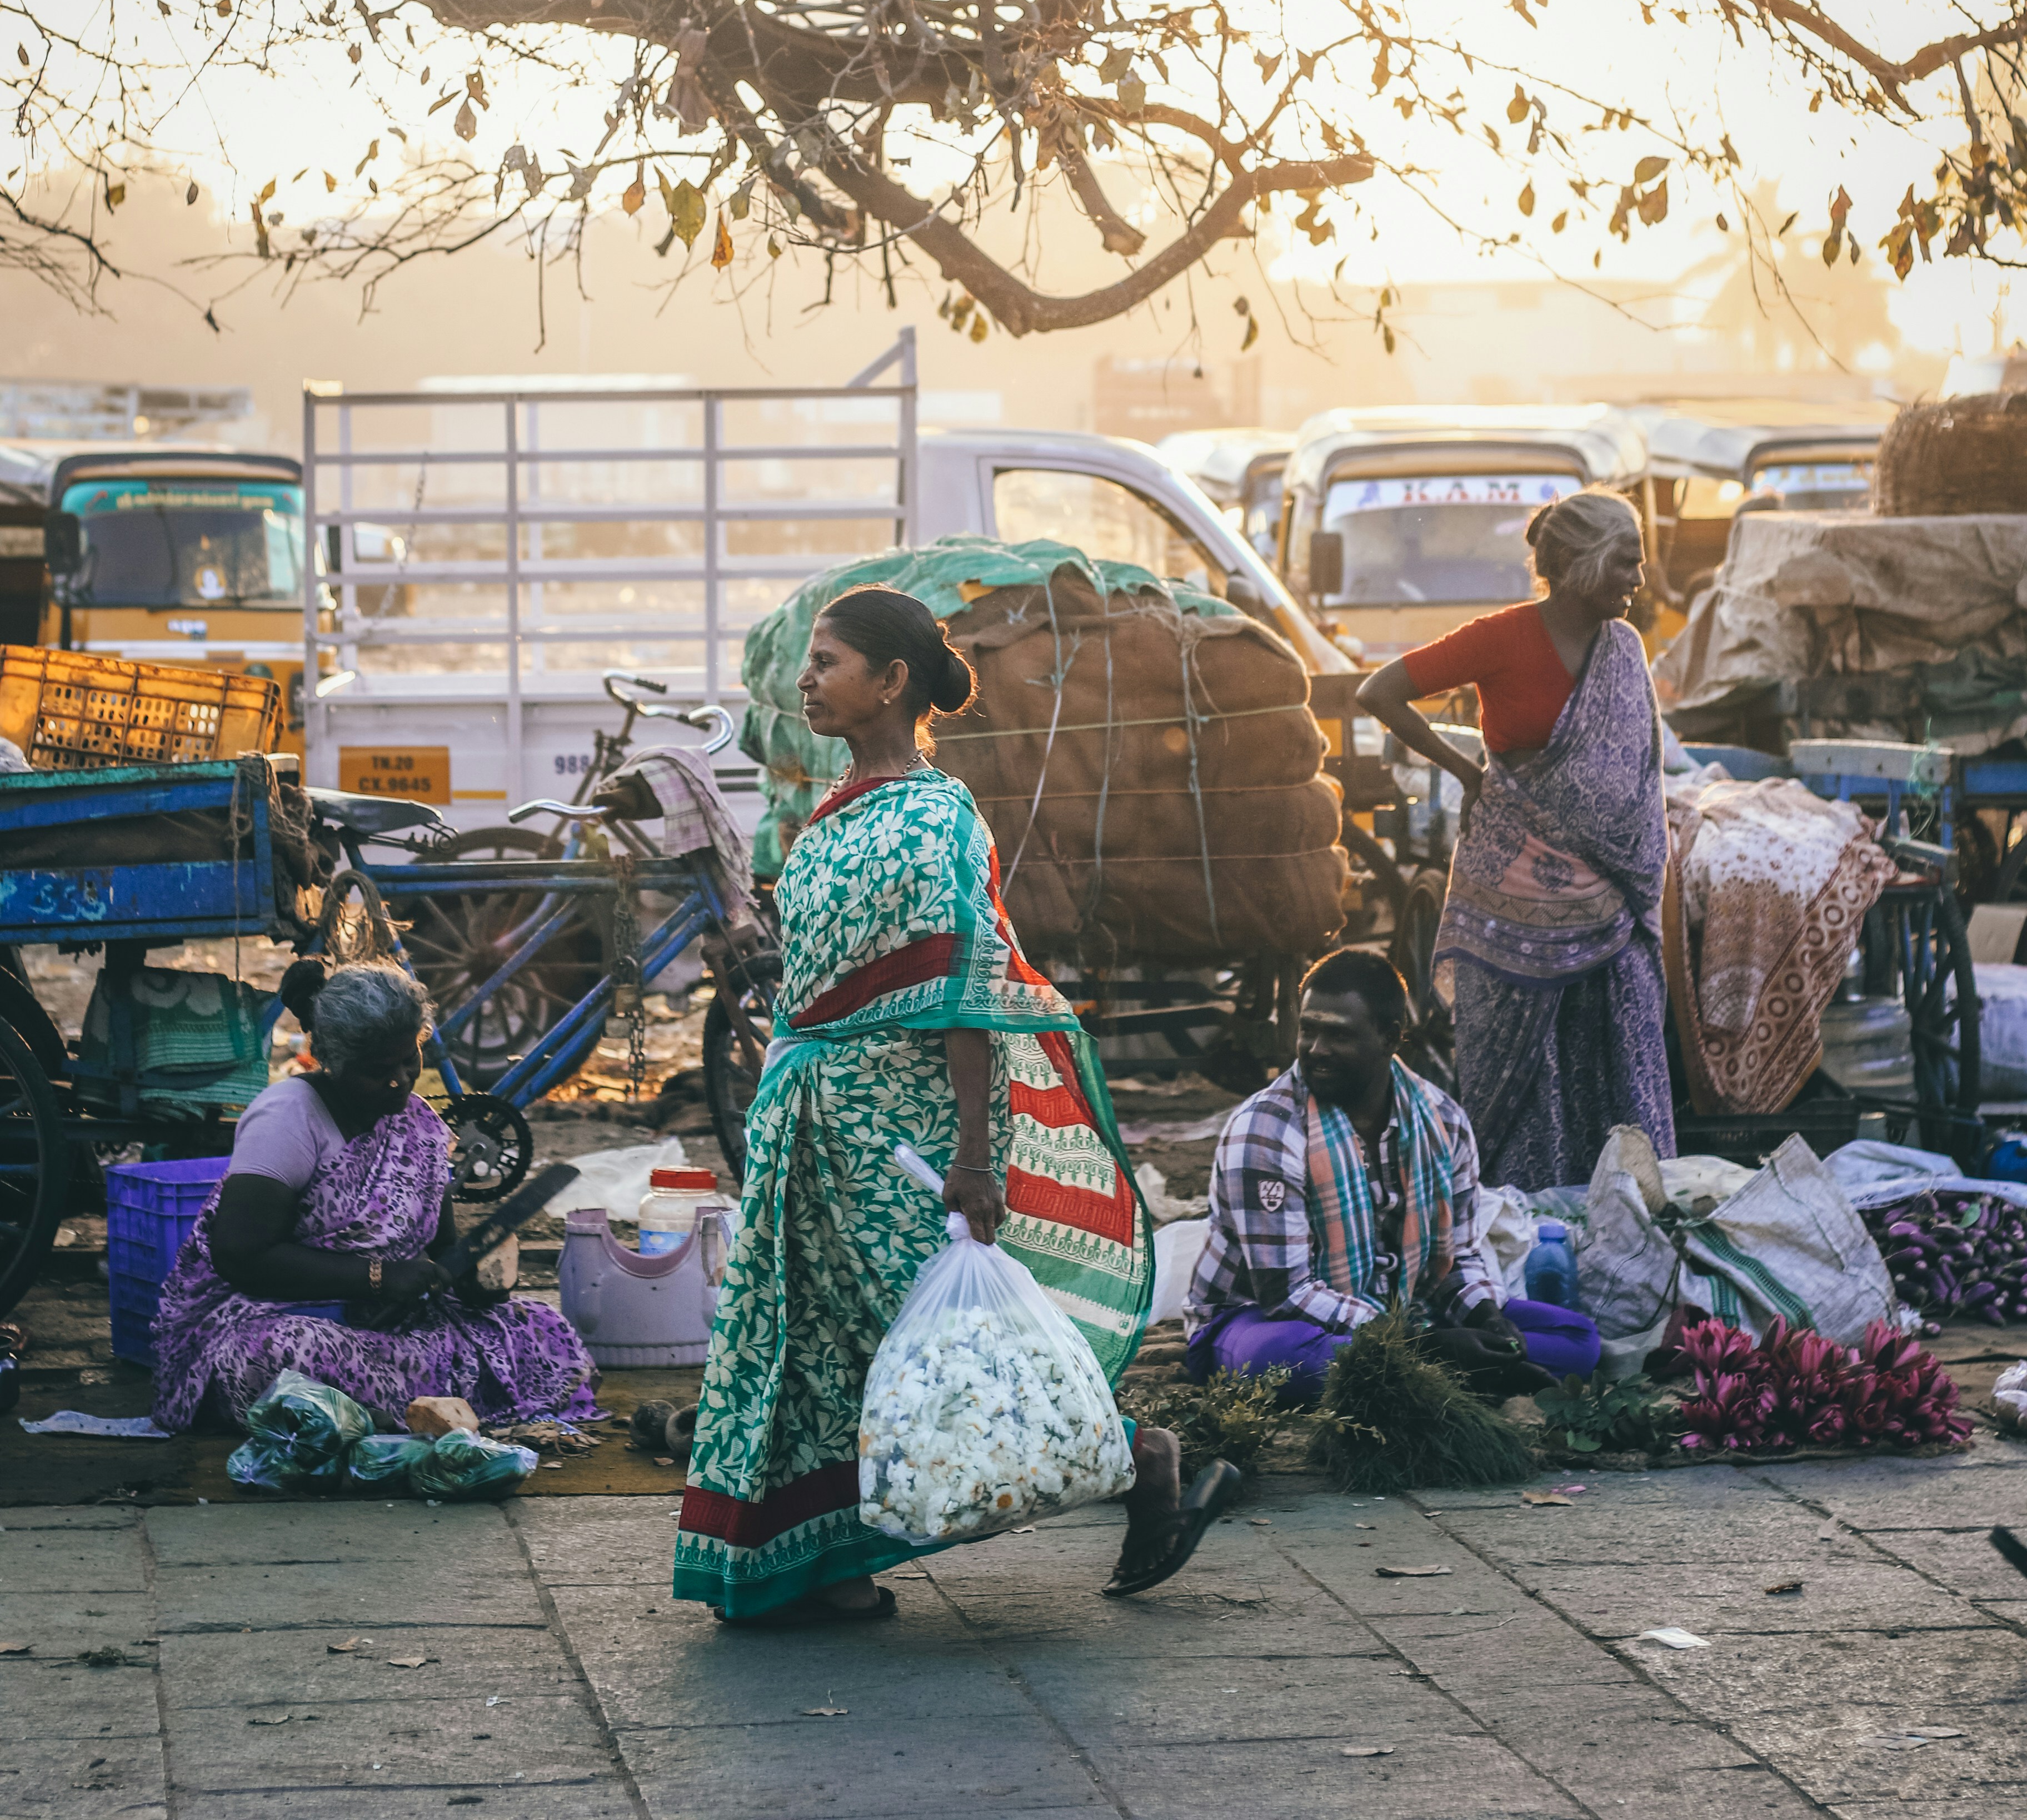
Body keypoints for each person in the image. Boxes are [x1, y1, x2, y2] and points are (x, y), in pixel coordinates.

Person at [671, 583, 1240, 1627]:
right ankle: (827, 1561)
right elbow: (837, 961)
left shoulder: (936, 818)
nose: (807, 678)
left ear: (891, 682)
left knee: (945, 1344)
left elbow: (964, 994)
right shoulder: (826, 812)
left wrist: (975, 1160)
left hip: (910, 1140)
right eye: (809, 660)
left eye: (829, 660)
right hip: (817, 1127)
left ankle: (1137, 1457)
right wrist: (761, 960)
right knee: (819, 1340)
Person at [1356, 488, 1674, 1188]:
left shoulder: (1623, 649)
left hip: (1610, 895)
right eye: (1626, 562)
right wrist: (1468, 772)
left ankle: (1626, 1205)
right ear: (1579, 562)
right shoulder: (1499, 638)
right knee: (1521, 1064)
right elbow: (1378, 692)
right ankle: (1523, 1210)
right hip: (1513, 883)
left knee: (1614, 1046)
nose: (1639, 580)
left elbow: (1637, 773)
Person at [152, 960, 593, 1430]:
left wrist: (471, 1281)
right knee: (283, 1356)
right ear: (334, 1062)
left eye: (409, 1060)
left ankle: (398, 1411)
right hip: (271, 1318)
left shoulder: (418, 1123)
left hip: (388, 1325)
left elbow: (441, 1246)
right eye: (378, 1069)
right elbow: (241, 1255)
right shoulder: (287, 1117)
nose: (400, 1080)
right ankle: (405, 1407)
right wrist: (379, 1278)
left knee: (540, 1328)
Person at [1186, 949, 1599, 1394]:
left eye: (1338, 1035)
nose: (1316, 1050)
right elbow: (1287, 1296)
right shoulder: (1265, 1130)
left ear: (1391, 1038)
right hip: (1261, 1322)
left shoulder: (1444, 1121)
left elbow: (1456, 1259)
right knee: (1281, 1359)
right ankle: (1450, 1370)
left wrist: (1488, 1320)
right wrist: (1430, 1346)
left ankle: (1447, 1369)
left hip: (1403, 1310)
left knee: (1578, 1342)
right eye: (1308, 1030)